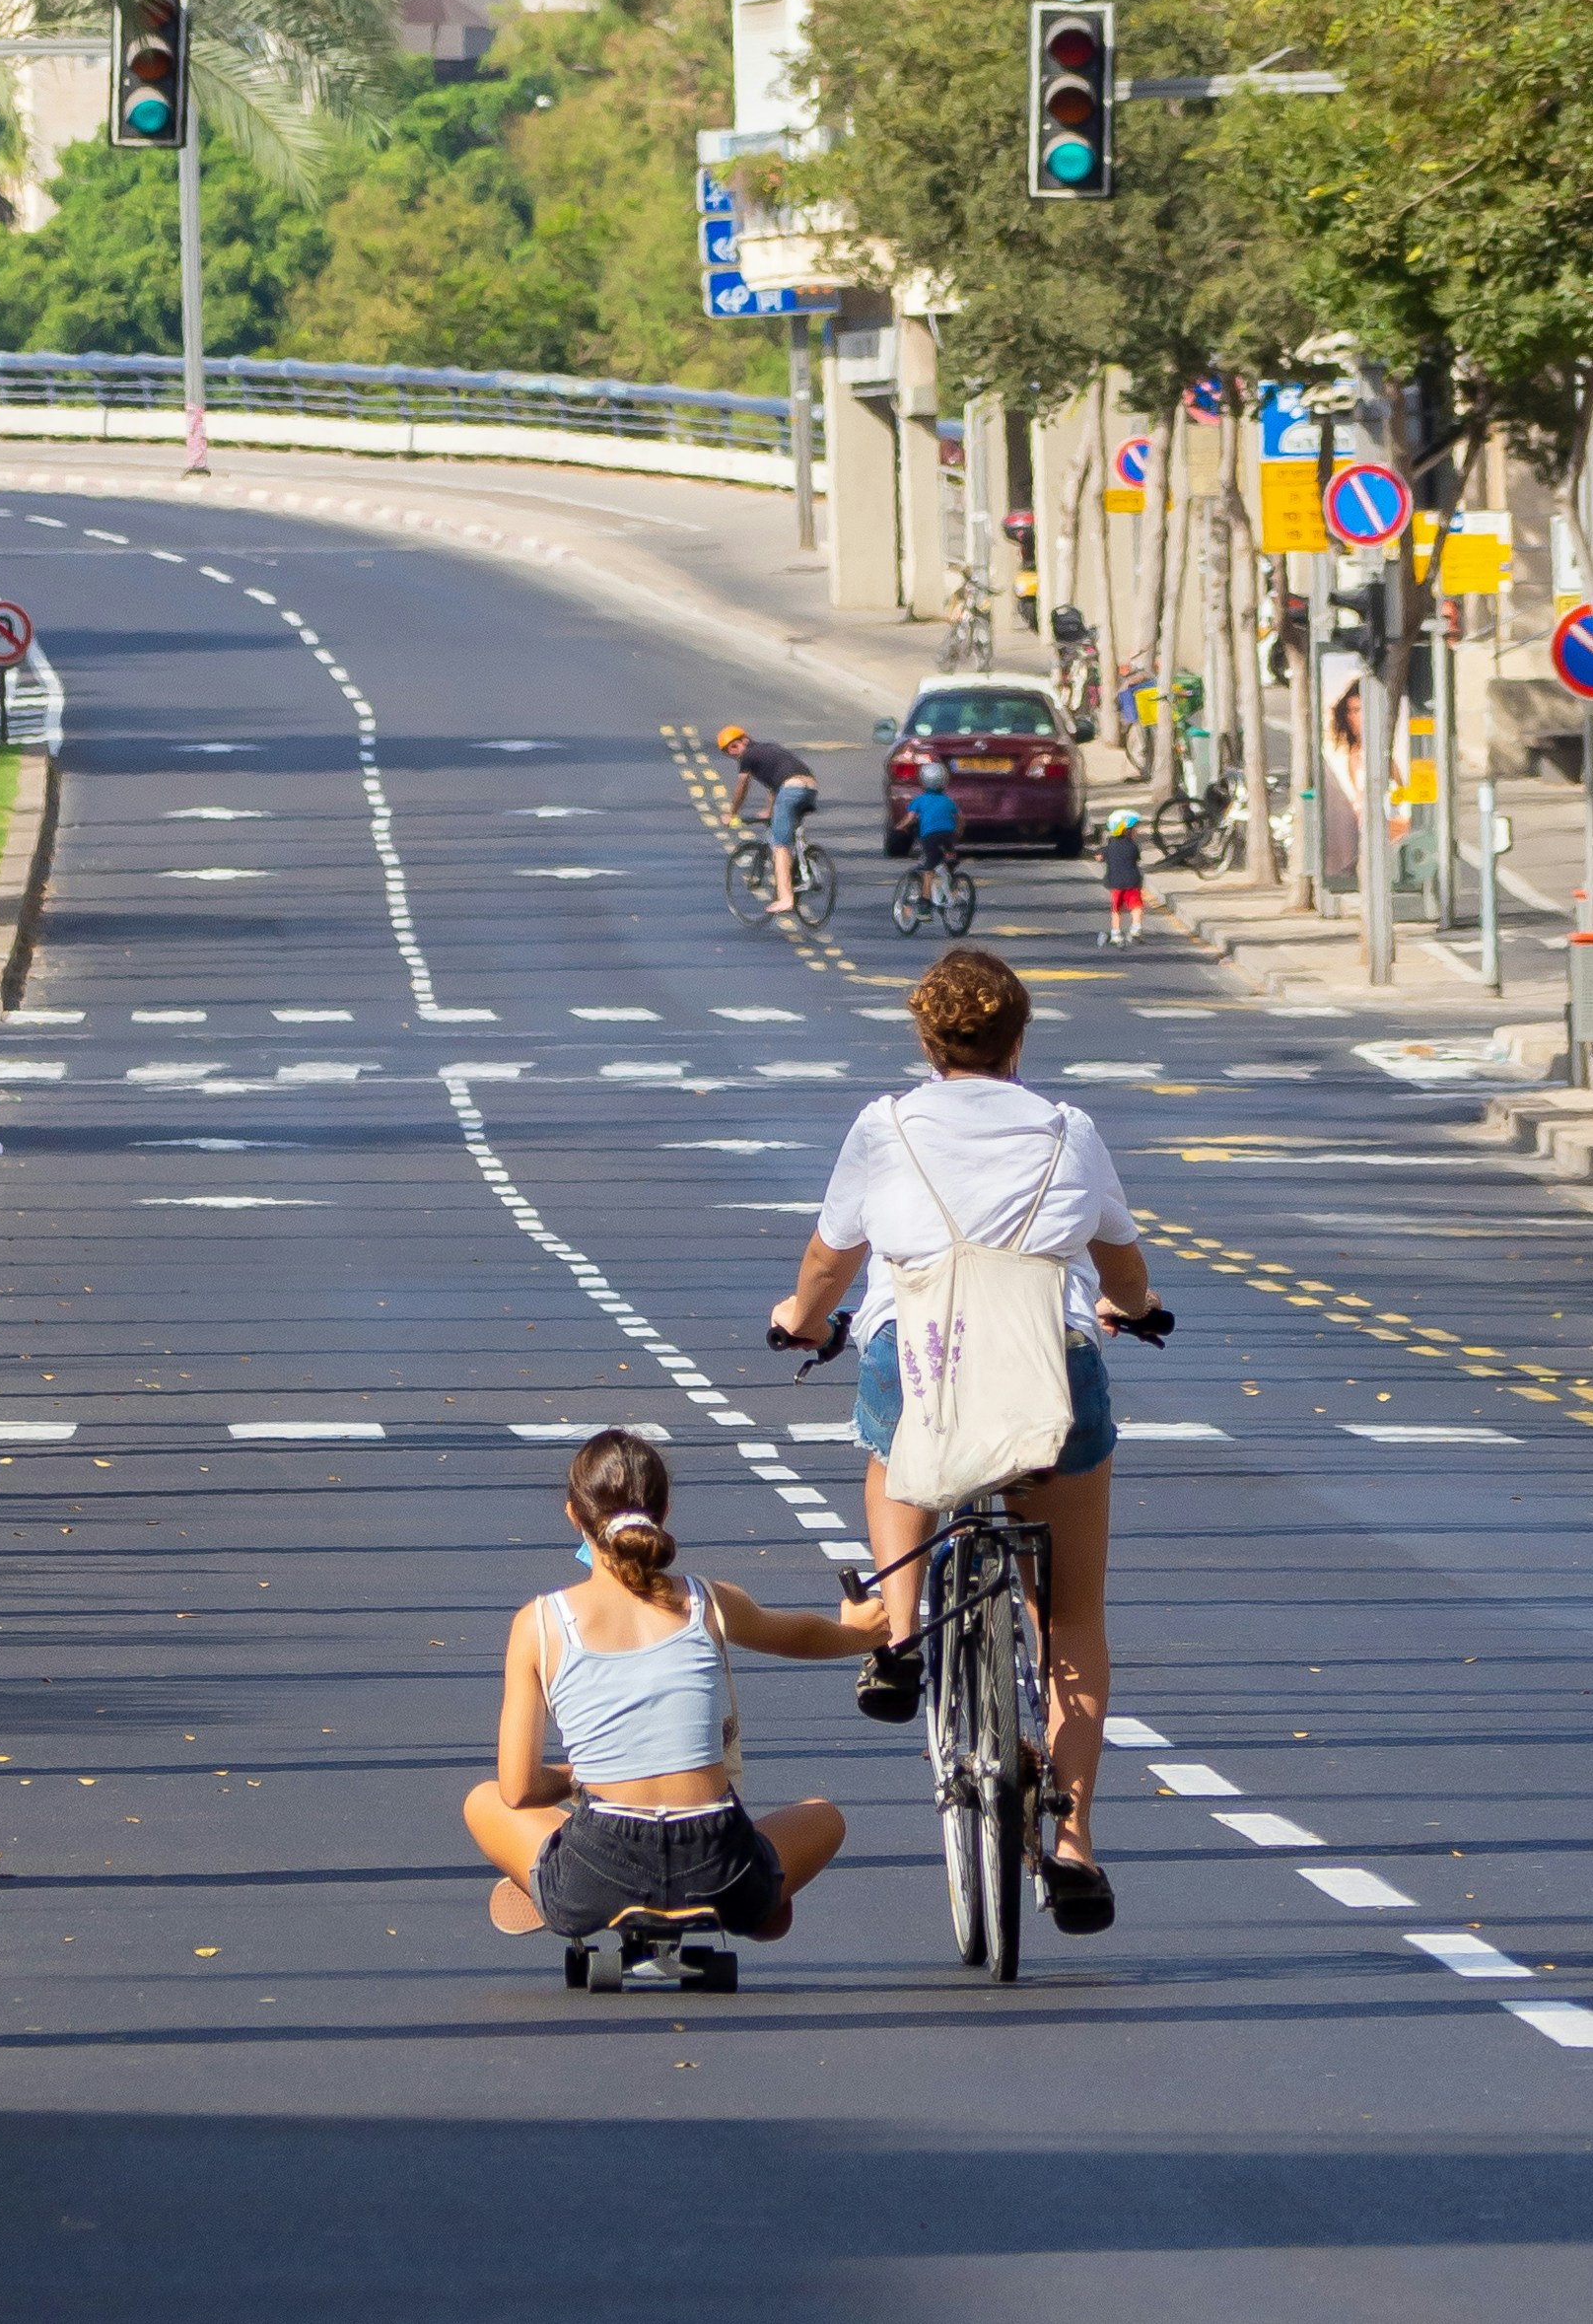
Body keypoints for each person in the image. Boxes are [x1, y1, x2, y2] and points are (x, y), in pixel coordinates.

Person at [764, 948, 1154, 1936]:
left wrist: (803, 1318)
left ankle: (900, 1631)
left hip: (924, 1363)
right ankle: (1071, 1840)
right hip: (1049, 1375)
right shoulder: (1070, 1131)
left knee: (896, 1447)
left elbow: (829, 1257)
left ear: (927, 1042)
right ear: (1020, 1040)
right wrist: (1134, 1307)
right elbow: (1121, 1261)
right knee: (1069, 1614)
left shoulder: (884, 1128)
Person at [462, 1428, 888, 1944]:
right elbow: (796, 1633)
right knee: (825, 1819)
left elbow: (519, 1788)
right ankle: (745, 1897)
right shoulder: (706, 1602)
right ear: (663, 1513)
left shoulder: (539, 1624)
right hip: (717, 1859)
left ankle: (562, 1888)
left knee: (483, 1801)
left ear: (574, 1515)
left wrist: (576, 1778)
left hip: (599, 1869)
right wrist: (857, 1634)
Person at [718, 723, 819, 917]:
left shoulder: (748, 756)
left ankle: (785, 898)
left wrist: (732, 814)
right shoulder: (769, 749)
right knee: (790, 827)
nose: (733, 753)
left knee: (780, 846)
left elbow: (742, 786)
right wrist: (768, 810)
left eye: (733, 747)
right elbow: (777, 784)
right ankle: (806, 860)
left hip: (791, 790)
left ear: (742, 741)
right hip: (810, 788)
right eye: (728, 752)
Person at [909, 757, 961, 908]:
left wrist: (900, 827)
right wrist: (958, 830)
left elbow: (910, 817)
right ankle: (952, 882)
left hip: (930, 837)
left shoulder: (920, 800)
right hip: (948, 835)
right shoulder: (947, 800)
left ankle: (925, 903)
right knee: (949, 858)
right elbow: (960, 817)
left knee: (928, 869)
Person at [1100, 808, 1143, 946]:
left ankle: (1116, 933)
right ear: (1126, 830)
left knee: (1116, 910)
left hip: (1116, 884)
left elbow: (1101, 855)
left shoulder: (1110, 847)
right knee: (1136, 906)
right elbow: (1137, 858)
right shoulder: (1133, 847)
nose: (1137, 831)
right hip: (1132, 883)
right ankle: (1136, 927)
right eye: (1134, 828)